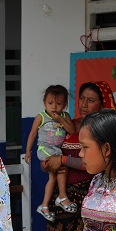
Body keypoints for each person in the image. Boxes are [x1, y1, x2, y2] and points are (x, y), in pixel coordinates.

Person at [37, 81, 116, 231]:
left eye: (90, 100)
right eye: (81, 98)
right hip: (64, 195)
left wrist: (61, 161)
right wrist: (48, 162)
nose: (83, 104)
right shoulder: (69, 124)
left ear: (103, 104)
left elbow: (90, 165)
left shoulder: (103, 132)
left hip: (88, 195)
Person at [25, 85, 77, 222]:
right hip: (44, 149)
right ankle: (62, 196)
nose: (54, 107)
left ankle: (45, 205)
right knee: (62, 168)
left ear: (65, 105)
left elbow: (72, 130)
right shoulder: (41, 117)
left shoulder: (65, 116)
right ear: (44, 103)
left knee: (53, 177)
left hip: (57, 150)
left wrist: (61, 120)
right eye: (50, 103)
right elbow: (32, 134)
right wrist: (27, 151)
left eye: (59, 104)